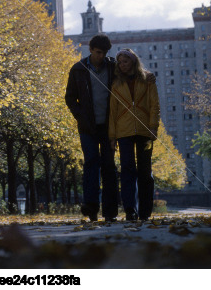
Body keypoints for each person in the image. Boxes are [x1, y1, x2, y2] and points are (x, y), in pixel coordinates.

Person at [65, 34, 118, 222]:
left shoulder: (113, 67)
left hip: (109, 127)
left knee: (109, 167)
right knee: (91, 165)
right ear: (90, 50)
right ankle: (92, 209)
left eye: (104, 53)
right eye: (98, 52)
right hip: (87, 127)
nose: (101, 56)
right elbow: (70, 98)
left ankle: (110, 212)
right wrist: (81, 117)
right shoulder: (78, 69)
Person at [108, 48, 160, 222]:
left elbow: (154, 105)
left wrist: (154, 127)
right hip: (124, 133)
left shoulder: (147, 80)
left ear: (133, 61)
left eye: (126, 61)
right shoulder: (116, 84)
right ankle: (130, 209)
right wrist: (112, 137)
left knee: (145, 172)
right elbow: (113, 112)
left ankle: (145, 212)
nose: (122, 65)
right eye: (120, 62)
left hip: (145, 131)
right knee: (127, 171)